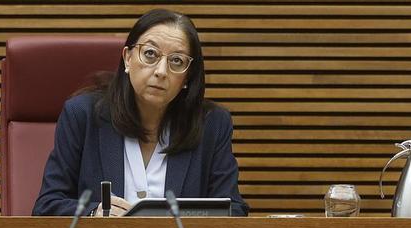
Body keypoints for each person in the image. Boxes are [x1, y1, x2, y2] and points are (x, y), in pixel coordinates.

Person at [32, 9, 249, 217]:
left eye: (176, 61)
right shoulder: (83, 114)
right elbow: (47, 206)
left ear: (187, 77)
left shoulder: (211, 125)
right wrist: (93, 214)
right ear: (128, 58)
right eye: (150, 54)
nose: (161, 71)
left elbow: (233, 211)